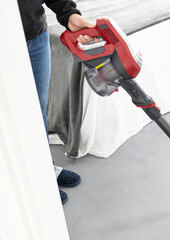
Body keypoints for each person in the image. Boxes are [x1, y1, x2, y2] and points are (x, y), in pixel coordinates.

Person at [17, 0, 95, 204]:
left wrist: (69, 14)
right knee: (12, 118)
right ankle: (29, 182)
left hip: (35, 35)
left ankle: (44, 169)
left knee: (37, 111)